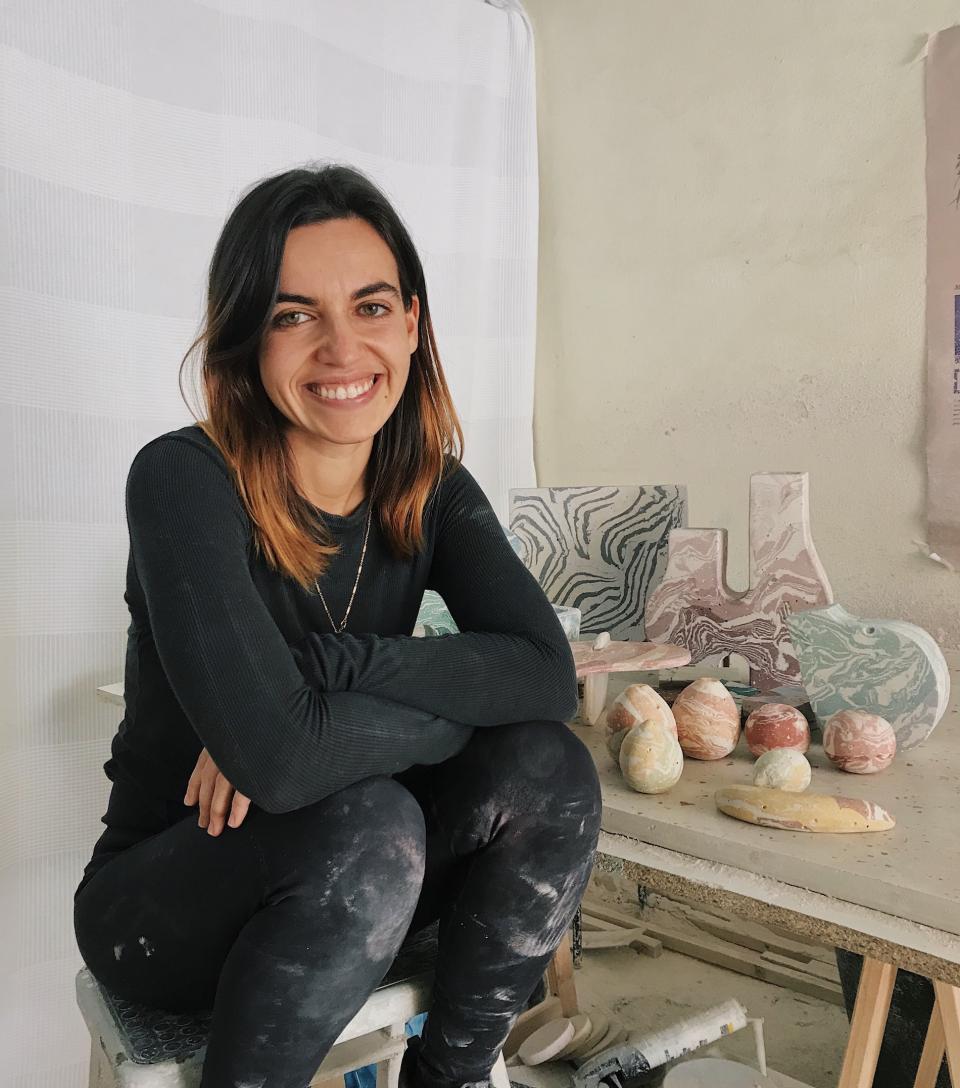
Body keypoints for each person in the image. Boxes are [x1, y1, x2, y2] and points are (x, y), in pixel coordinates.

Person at [73, 163, 602, 1088]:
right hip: (161, 907)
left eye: (368, 306)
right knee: (365, 819)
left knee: (548, 765)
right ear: (247, 342)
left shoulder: (430, 486)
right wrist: (431, 706)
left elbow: (543, 678)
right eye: (292, 315)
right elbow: (281, 765)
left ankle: (453, 1075)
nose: (339, 347)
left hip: (356, 876)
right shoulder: (182, 481)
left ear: (411, 322)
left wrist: (323, 672)